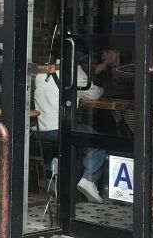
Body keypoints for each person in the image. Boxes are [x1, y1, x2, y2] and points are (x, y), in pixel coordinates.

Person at [33, 56, 106, 204]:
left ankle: (52, 175)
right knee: (98, 141)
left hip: (38, 131)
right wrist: (103, 88)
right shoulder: (72, 69)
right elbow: (93, 93)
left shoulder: (39, 70)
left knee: (79, 132)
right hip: (59, 130)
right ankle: (89, 180)